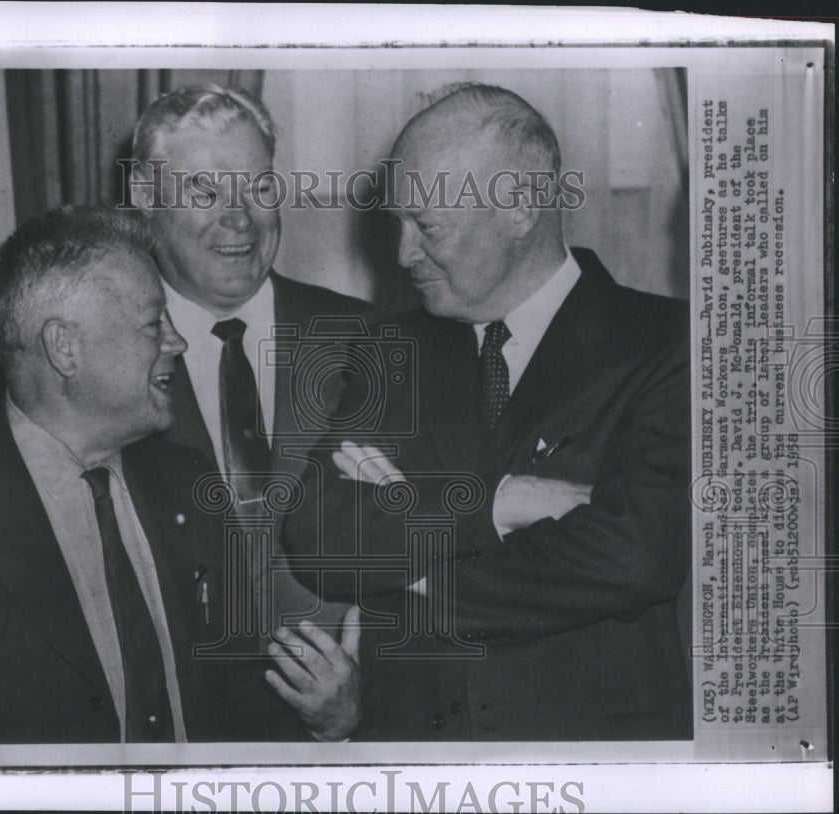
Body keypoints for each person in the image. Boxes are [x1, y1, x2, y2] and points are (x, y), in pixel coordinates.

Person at [283, 83, 692, 741]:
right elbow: (320, 535)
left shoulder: (669, 344)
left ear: (522, 206)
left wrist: (414, 581)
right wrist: (499, 504)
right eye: (397, 223)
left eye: (428, 227)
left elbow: (634, 554)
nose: (402, 255)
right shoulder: (394, 351)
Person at [0, 206, 353, 744]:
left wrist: (327, 725)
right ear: (65, 347)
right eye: (154, 323)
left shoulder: (189, 484)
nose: (177, 343)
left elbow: (241, 692)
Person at [128, 85, 376, 714]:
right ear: (143, 199)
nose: (239, 219)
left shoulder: (371, 342)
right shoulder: (109, 362)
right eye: (205, 193)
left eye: (259, 189)